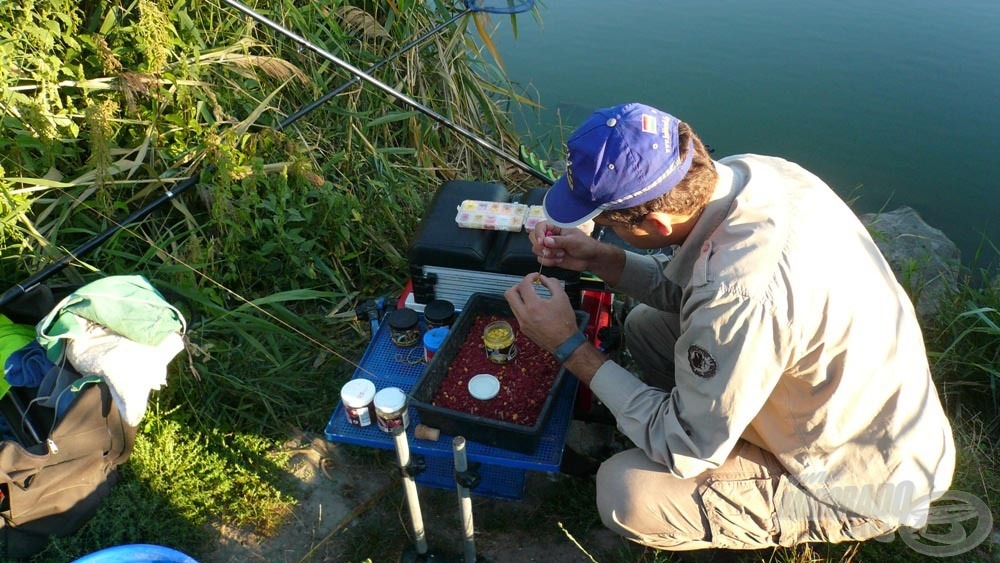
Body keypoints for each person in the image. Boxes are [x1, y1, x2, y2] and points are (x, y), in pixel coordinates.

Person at [504, 102, 955, 551]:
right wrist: (608, 259)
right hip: (846, 400)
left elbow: (686, 447)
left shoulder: (741, 296)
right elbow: (699, 284)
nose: (603, 232)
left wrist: (568, 345)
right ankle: (725, 431)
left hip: (861, 478)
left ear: (658, 223)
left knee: (625, 491)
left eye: (606, 226)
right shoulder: (756, 175)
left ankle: (773, 491)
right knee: (645, 328)